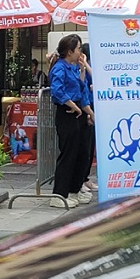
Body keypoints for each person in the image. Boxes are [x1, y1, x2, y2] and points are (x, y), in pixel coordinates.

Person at [48, 34, 95, 209]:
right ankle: (60, 193)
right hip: (67, 113)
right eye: (78, 49)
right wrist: (73, 105)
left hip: (79, 113)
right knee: (68, 154)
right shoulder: (59, 68)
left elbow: (82, 89)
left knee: (82, 153)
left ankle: (74, 190)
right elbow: (57, 91)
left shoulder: (74, 67)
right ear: (69, 51)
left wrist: (87, 111)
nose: (80, 52)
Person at [80, 43, 98, 192]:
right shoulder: (82, 69)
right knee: (85, 147)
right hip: (87, 110)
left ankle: (85, 178)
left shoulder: (90, 67)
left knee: (90, 147)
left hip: (92, 109)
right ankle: (81, 179)